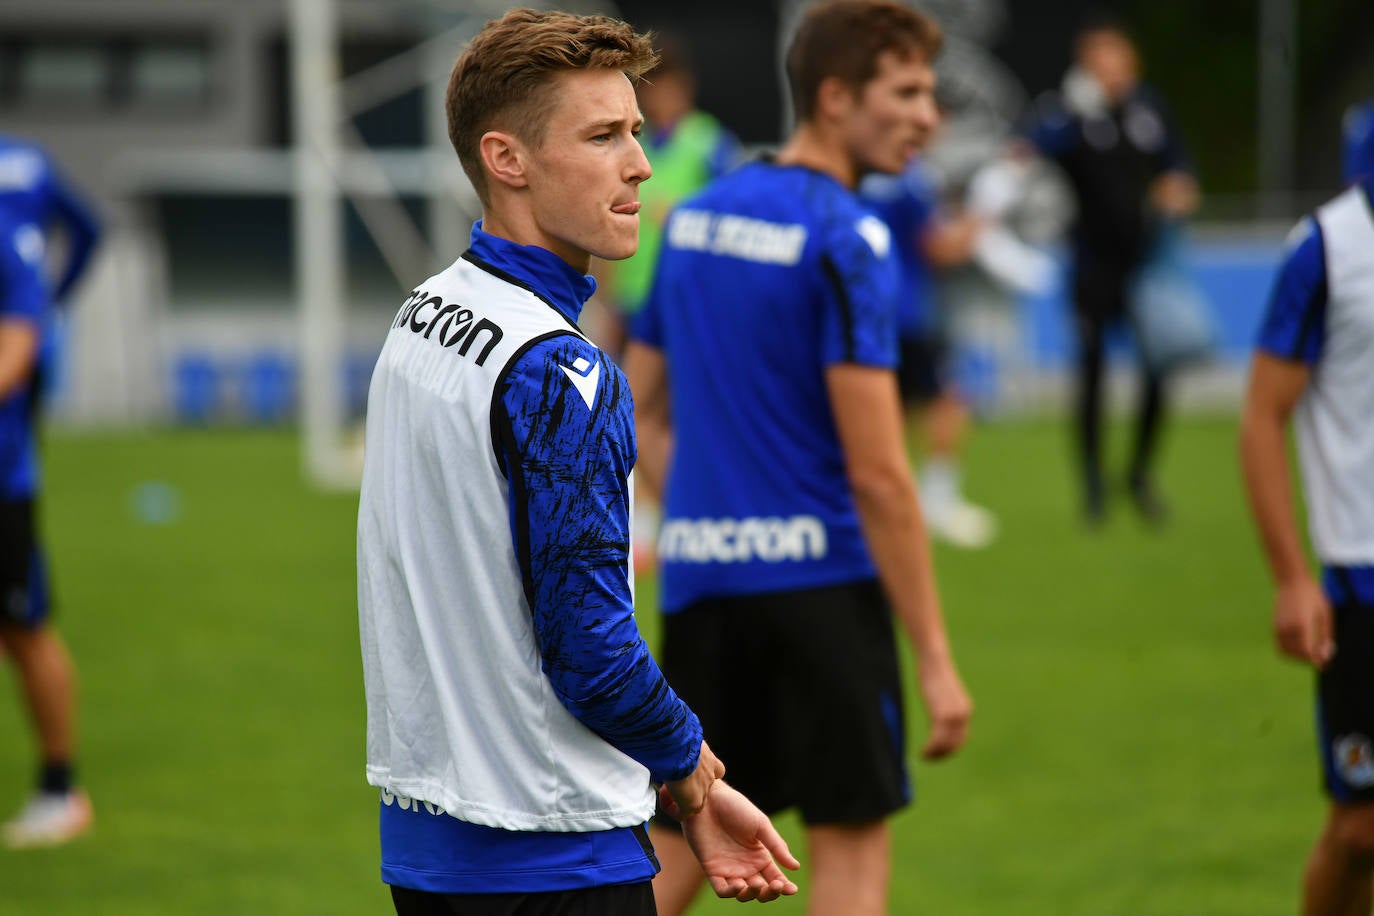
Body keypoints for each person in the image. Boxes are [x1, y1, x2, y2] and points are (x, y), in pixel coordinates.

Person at [356, 9, 799, 914]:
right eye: (603, 136)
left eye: (635, 131)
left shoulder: (423, 313)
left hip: (426, 846)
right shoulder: (562, 371)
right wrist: (694, 771)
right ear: (506, 159)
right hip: (554, 850)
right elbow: (590, 650)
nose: (640, 163)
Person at [624, 3, 973, 913]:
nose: (927, 116)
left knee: (678, 849)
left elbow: (634, 406)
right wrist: (935, 657)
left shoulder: (694, 221)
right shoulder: (849, 235)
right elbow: (880, 473)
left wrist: (698, 509)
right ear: (835, 96)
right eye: (907, 92)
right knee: (847, 851)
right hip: (824, 592)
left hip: (703, 588)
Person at [1239, 132, 1374, 915]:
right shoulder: (1327, 248)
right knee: (1361, 831)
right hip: (1361, 576)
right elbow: (1262, 416)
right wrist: (1292, 578)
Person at [1019, 14, 1198, 525]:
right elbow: (1026, 152)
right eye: (1100, 59)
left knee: (1158, 369)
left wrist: (1178, 187)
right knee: (1091, 374)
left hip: (1145, 268)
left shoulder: (1149, 109)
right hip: (1090, 266)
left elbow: (1179, 165)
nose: (1111, 69)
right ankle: (1093, 485)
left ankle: (1139, 474)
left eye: (1118, 57)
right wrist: (1073, 113)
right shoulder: (1069, 113)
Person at [0, 211, 92, 849]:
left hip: (3, 480)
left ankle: (60, 789)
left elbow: (19, 345)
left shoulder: (7, 238)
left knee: (24, 628)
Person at [860, 155, 998, 549]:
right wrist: (979, 223)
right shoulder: (910, 178)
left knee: (889, 413)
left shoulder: (855, 171)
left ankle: (883, 505)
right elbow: (939, 248)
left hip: (864, 310)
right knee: (947, 403)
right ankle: (935, 503)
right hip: (907, 314)